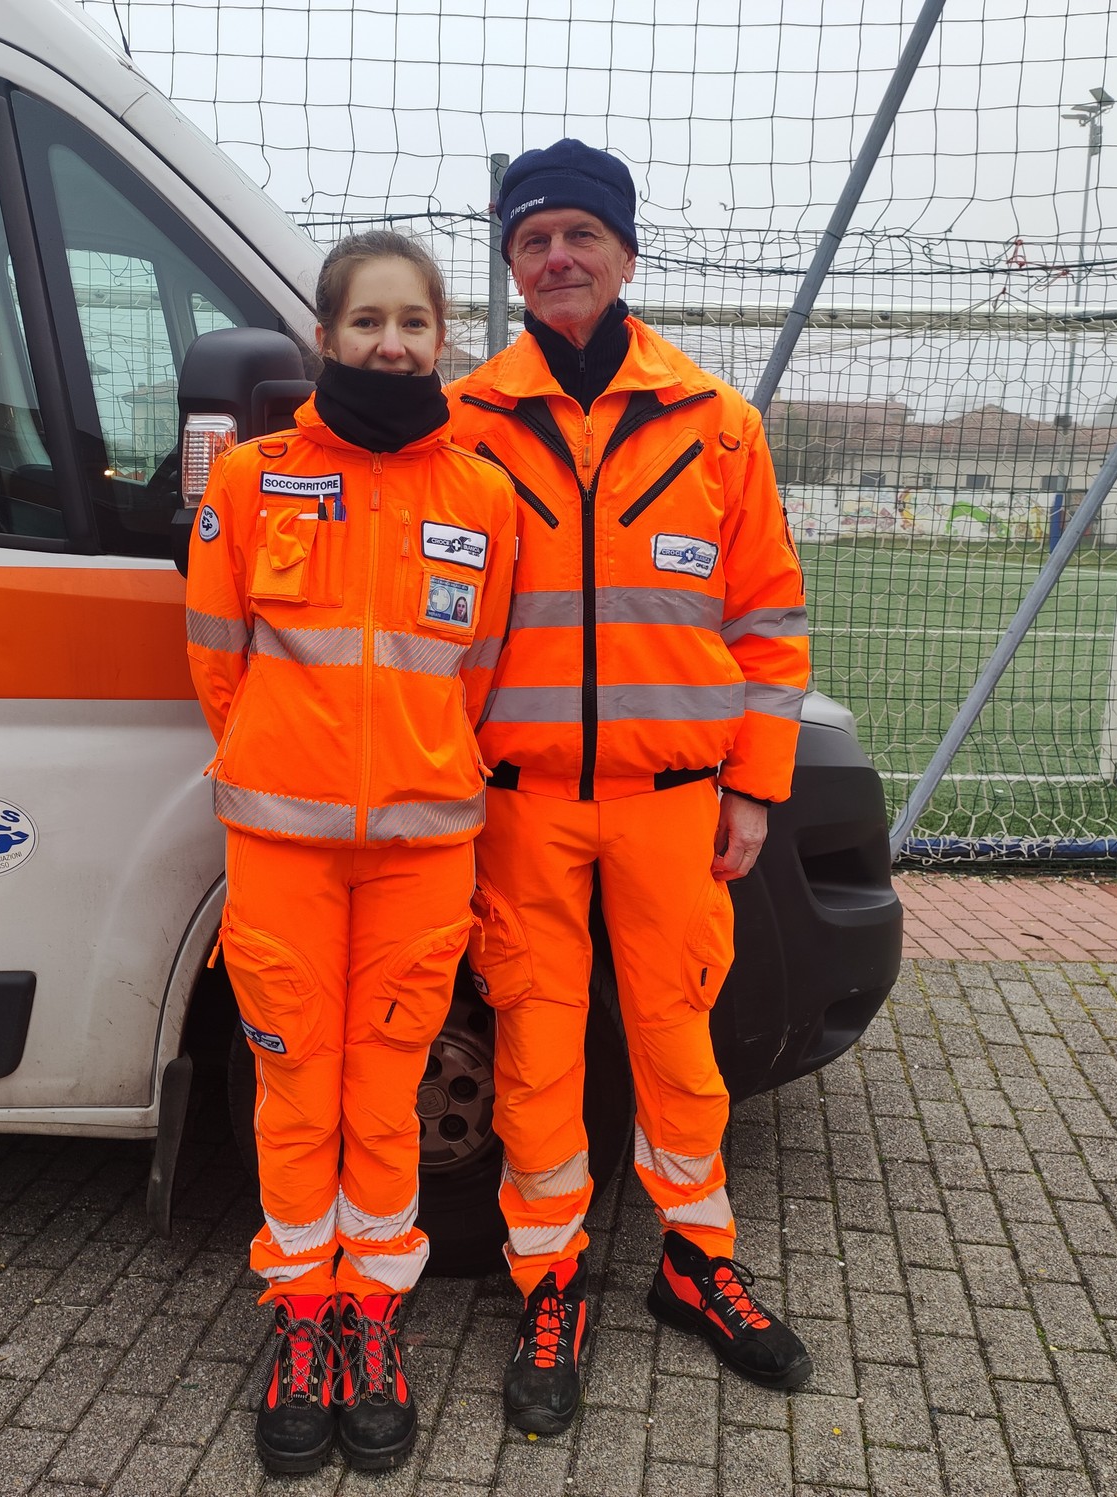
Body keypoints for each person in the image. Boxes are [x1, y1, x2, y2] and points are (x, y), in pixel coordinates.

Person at [449, 140, 814, 1433]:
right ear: (511, 264)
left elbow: (768, 621)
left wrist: (753, 787)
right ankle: (548, 1281)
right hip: (519, 802)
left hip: (675, 803)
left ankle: (694, 1264)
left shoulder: (717, 423)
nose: (557, 258)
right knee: (537, 1047)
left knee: (679, 1042)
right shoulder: (466, 423)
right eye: (532, 240)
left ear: (624, 253)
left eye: (579, 236)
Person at [185, 230, 516, 1475]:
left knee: (385, 1096)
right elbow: (215, 661)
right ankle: (300, 1315)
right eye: (365, 322)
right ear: (323, 337)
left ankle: (371, 1316)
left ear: (441, 340)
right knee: (291, 1092)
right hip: (280, 843)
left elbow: (477, 676)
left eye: (411, 323)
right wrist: (287, 760)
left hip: (423, 850)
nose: (389, 343)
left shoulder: (481, 497)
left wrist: (412, 772)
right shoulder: (251, 481)